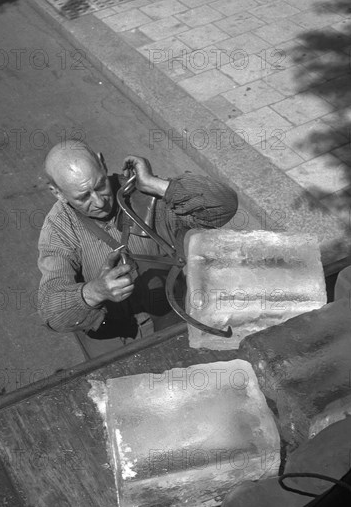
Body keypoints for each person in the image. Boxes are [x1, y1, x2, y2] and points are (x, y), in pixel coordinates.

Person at [37, 139, 238, 359]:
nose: (99, 202)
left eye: (100, 185)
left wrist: (155, 184)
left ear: (102, 163)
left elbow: (224, 206)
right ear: (57, 193)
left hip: (173, 321)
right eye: (83, 197)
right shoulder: (59, 229)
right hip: (114, 341)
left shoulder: (141, 193)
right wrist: (95, 291)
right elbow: (50, 311)